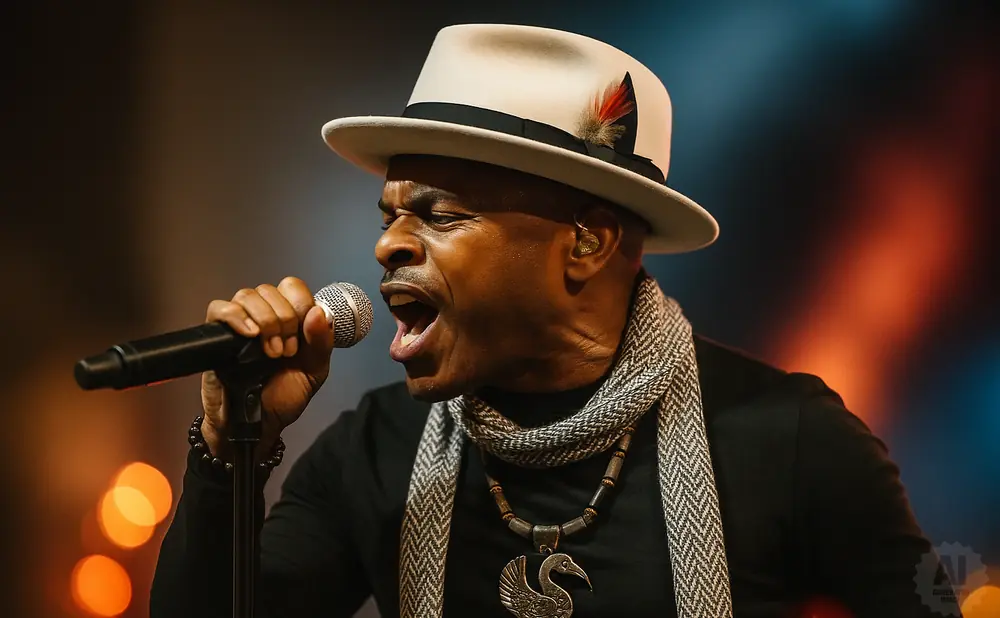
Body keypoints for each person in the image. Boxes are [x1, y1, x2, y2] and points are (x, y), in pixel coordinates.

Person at [150, 24, 958, 618]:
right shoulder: (374, 450)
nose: (388, 244)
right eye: (390, 213)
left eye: (440, 214)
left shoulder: (787, 439)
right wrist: (230, 448)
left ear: (586, 243)